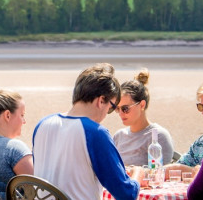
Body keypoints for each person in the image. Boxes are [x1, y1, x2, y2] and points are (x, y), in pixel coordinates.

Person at [32, 63, 140, 200]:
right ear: (101, 101)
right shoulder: (95, 132)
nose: (108, 113)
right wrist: (138, 174)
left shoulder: (42, 124)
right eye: (111, 108)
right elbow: (126, 194)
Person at [112, 69, 175, 167]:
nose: (120, 113)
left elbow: (161, 174)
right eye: (117, 108)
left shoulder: (158, 136)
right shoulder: (118, 136)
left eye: (125, 108)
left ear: (142, 105)